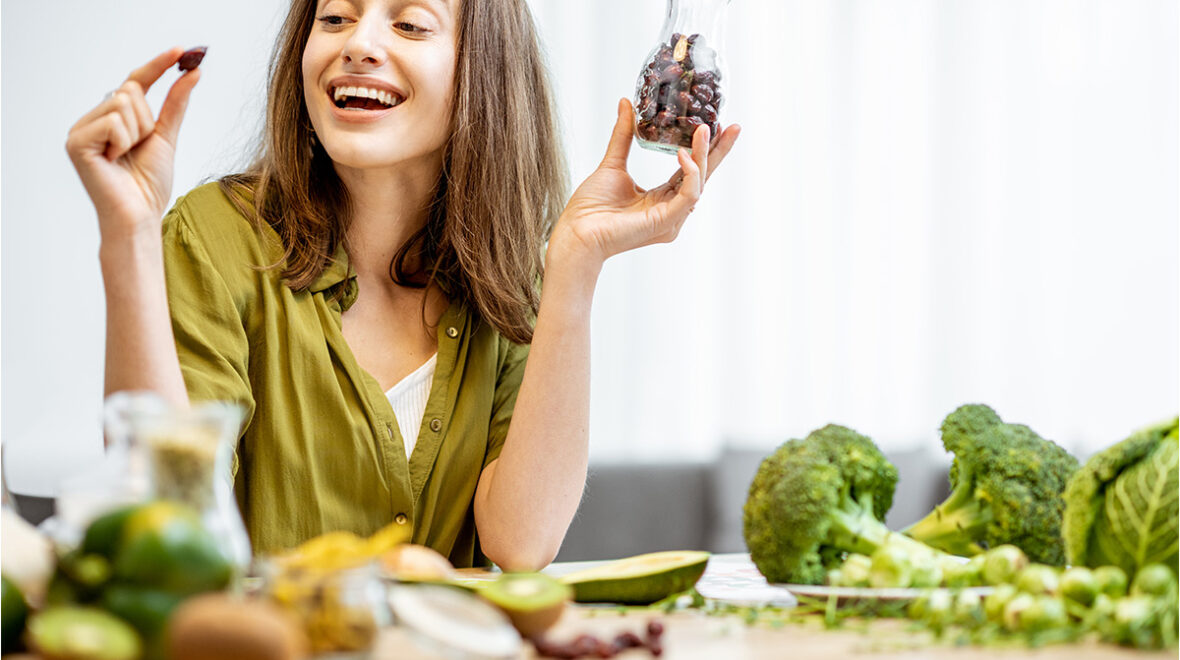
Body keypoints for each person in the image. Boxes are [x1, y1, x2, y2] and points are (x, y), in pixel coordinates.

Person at [65, 0, 740, 570]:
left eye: (410, 25)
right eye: (334, 19)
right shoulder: (217, 237)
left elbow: (521, 542)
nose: (358, 45)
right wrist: (127, 238)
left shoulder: (508, 276)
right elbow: (164, 517)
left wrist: (576, 267)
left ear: (484, 72)